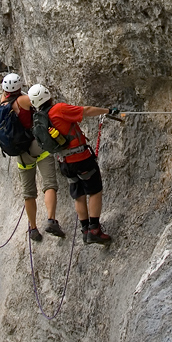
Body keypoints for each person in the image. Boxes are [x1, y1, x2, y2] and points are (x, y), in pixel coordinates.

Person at [27, 84, 116, 246]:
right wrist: (108, 111)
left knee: (78, 194)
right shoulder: (59, 109)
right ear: (48, 95)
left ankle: (85, 230)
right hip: (81, 158)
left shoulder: (40, 118)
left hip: (64, 163)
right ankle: (95, 230)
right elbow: (86, 110)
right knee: (95, 191)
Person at [1, 73, 65, 243]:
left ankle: (33, 228)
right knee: (49, 183)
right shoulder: (23, 100)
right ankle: (51, 219)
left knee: (29, 193)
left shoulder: (2, 103)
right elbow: (39, 101)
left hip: (21, 154)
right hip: (37, 145)